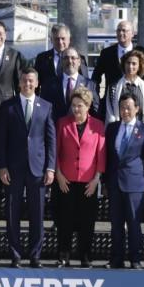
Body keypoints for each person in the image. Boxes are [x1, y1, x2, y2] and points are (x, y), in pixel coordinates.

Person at [0, 68, 56, 267]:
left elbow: (50, 140)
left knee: (37, 214)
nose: (27, 84)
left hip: (38, 168)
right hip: (13, 168)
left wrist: (50, 168)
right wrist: (2, 166)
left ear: (37, 83)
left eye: (31, 81)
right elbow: (1, 140)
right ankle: (15, 254)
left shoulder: (46, 106)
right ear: (19, 83)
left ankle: (35, 254)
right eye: (24, 81)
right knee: (12, 212)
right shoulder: (8, 106)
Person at [52, 87, 104, 268]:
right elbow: (55, 151)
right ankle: (63, 255)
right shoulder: (63, 123)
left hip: (88, 182)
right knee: (64, 220)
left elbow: (101, 154)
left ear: (88, 106)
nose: (76, 109)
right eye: (73, 105)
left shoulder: (98, 125)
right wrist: (58, 173)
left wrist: (96, 179)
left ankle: (85, 256)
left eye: (80, 106)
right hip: (66, 180)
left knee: (87, 222)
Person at [104, 90, 144, 269]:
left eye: (128, 108)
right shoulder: (111, 128)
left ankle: (135, 259)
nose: (125, 111)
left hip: (135, 184)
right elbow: (107, 157)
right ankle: (116, 259)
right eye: (122, 108)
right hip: (114, 183)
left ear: (137, 109)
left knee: (134, 223)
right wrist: (104, 182)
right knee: (116, 224)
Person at [92, 20, 144, 115]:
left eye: (124, 30)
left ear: (132, 34)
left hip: (136, 104)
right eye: (119, 30)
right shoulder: (106, 53)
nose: (121, 33)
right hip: (112, 105)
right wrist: (97, 99)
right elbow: (96, 77)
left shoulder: (143, 53)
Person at [42, 47, 92, 121]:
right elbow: (44, 111)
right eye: (66, 58)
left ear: (79, 62)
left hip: (82, 130)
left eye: (73, 58)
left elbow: (95, 112)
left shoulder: (90, 85)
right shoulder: (48, 84)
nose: (69, 61)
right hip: (57, 129)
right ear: (61, 62)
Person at [107, 48, 144, 125]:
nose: (130, 66)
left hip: (140, 132)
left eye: (134, 63)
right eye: (128, 63)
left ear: (140, 66)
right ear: (124, 64)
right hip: (119, 130)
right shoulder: (113, 87)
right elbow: (110, 114)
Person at [33, 23, 75, 88]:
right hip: (47, 97)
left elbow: (84, 82)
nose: (60, 42)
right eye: (57, 39)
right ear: (51, 40)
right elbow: (36, 83)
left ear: (69, 39)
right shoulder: (42, 58)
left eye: (63, 38)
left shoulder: (78, 58)